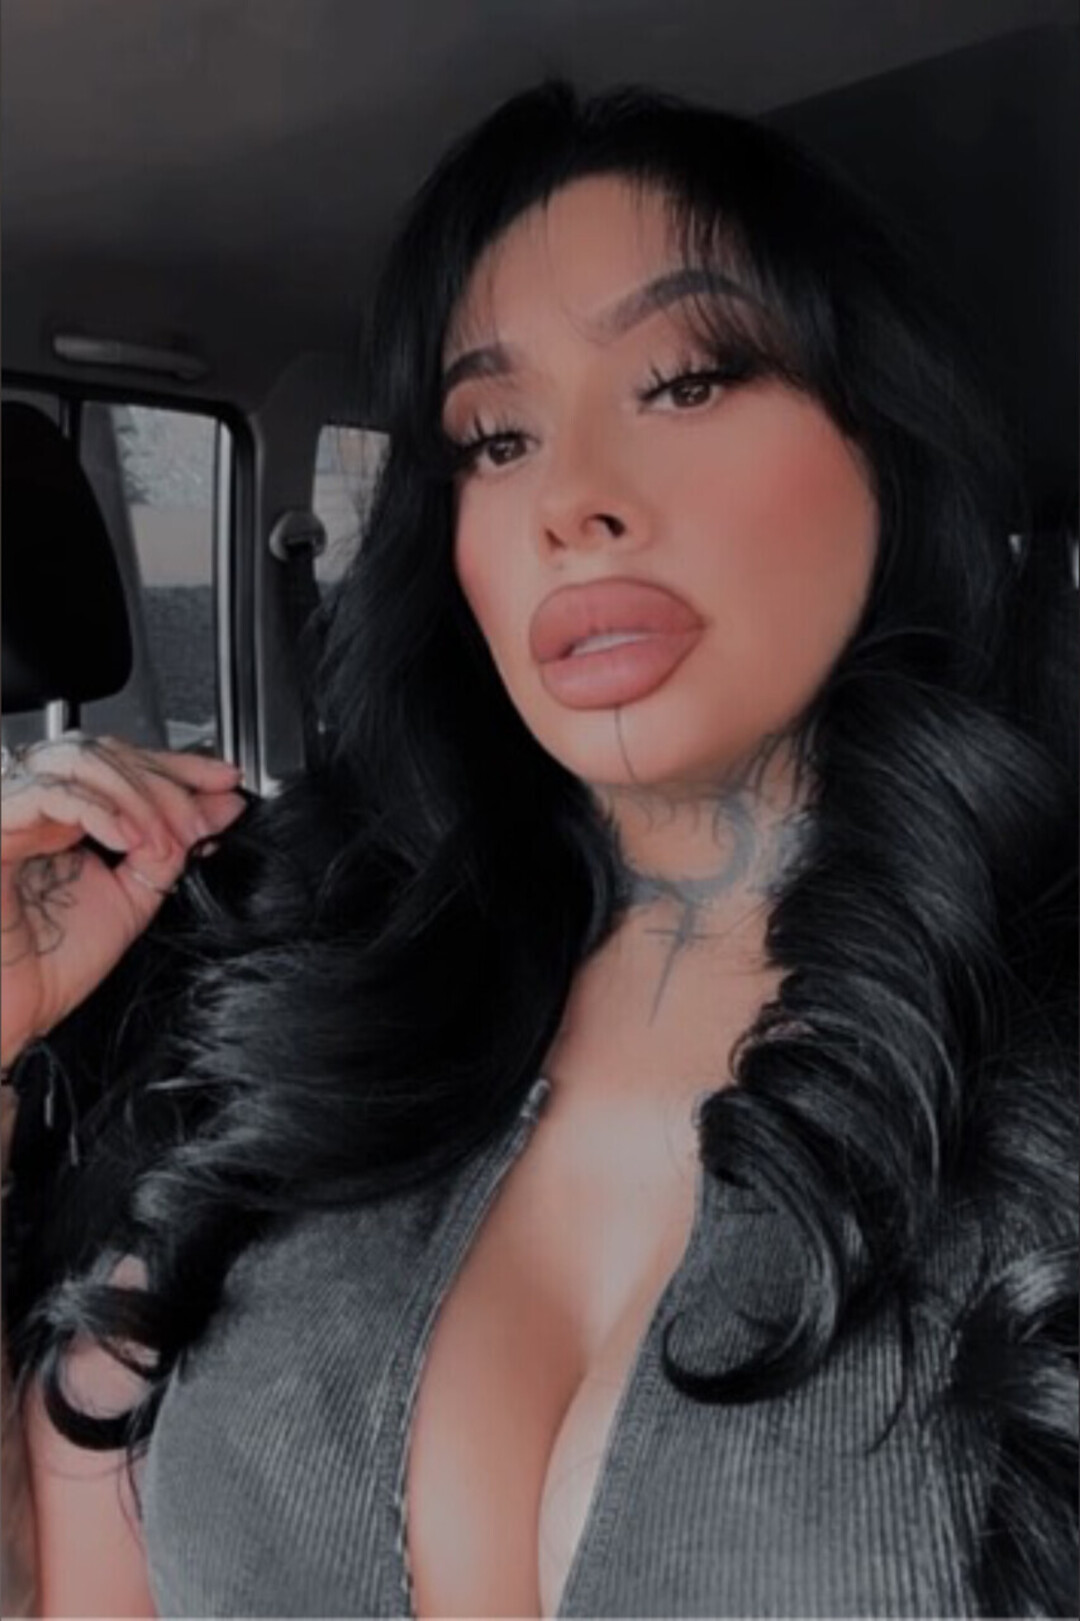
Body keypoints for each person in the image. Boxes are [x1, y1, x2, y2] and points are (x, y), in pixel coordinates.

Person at [1, 80, 1076, 1620]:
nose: (572, 500)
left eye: (686, 381)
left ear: (885, 447)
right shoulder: (300, 1019)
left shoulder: (1036, 1048)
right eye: (495, 437)